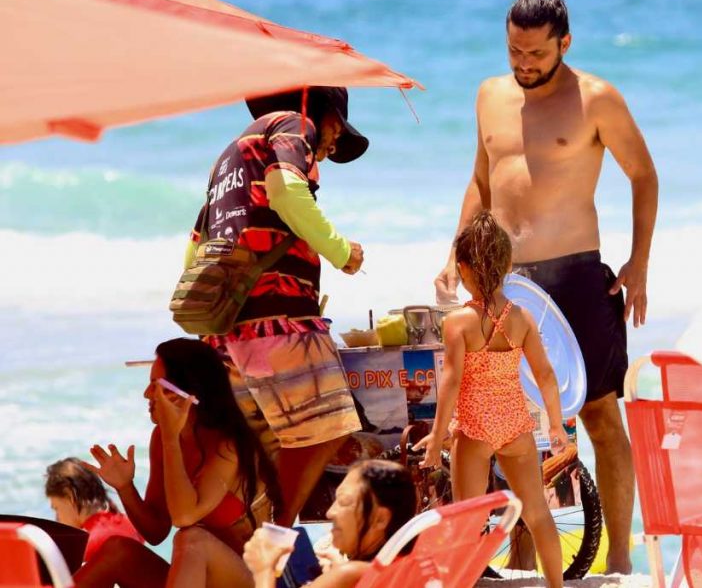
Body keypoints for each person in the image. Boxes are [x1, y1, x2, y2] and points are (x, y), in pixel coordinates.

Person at [434, 0, 658, 574]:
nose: (524, 64)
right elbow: (481, 181)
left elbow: (644, 175)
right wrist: (455, 255)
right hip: (505, 279)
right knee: (507, 416)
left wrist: (639, 262)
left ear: (564, 41)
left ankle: (621, 561)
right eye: (514, 52)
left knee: (602, 417)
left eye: (536, 53)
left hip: (577, 277)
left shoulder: (596, 99)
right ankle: (526, 560)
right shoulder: (489, 95)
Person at [188, 86, 368, 526]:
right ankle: (275, 535)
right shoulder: (293, 124)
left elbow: (196, 247)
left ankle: (254, 553)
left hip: (225, 332)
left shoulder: (228, 158)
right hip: (279, 320)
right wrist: (342, 252)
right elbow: (287, 191)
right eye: (334, 134)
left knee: (268, 450)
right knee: (328, 431)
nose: (327, 150)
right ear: (324, 114)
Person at [418, 211, 569, 588]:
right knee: (537, 513)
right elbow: (546, 375)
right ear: (508, 266)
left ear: (464, 269)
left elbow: (450, 384)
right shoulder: (522, 318)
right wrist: (555, 424)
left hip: (475, 428)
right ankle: (557, 585)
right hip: (517, 425)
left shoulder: (458, 323)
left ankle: (463, 584)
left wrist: (437, 439)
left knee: (466, 518)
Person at [75, 338, 282, 588]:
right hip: (196, 580)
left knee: (191, 538)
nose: (146, 394)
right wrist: (125, 487)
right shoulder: (162, 437)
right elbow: (156, 532)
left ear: (189, 394)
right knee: (117, 550)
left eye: (156, 385)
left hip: (249, 580)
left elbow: (184, 516)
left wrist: (172, 439)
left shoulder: (228, 445)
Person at [244, 459, 417, 588]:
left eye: (343, 501)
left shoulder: (351, 574)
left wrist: (263, 569)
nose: (330, 512)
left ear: (380, 519)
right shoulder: (401, 568)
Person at [44, 457, 143, 562]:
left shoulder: (86, 546)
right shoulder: (132, 524)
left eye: (56, 508)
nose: (57, 518)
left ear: (70, 496)